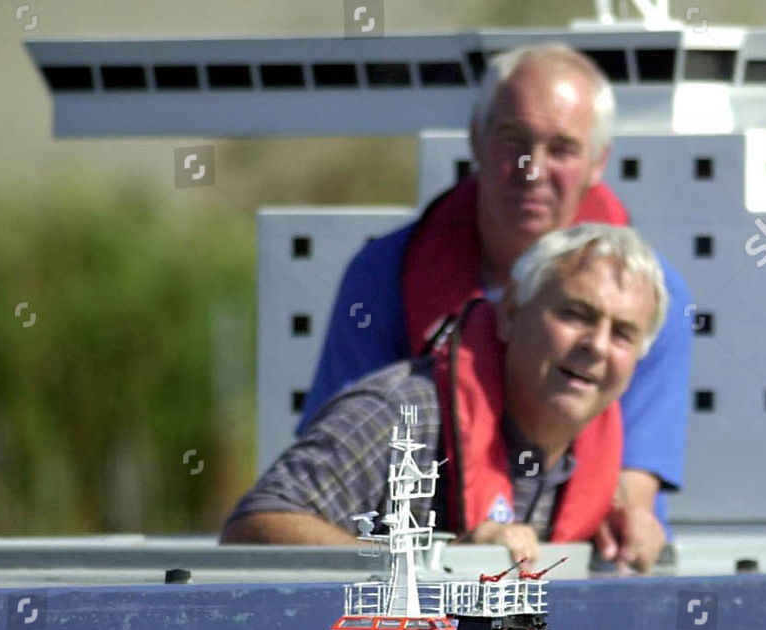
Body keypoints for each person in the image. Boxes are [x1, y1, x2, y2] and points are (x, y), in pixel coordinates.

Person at [293, 42, 692, 571]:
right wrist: (432, 562)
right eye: (514, 141)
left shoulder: (649, 297)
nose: (533, 168)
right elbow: (333, 457)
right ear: (477, 139)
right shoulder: (381, 276)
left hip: (575, 577)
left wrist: (631, 521)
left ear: (598, 163)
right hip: (412, 596)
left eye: (563, 149)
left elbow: (633, 480)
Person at [221, 224, 667, 569]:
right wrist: (442, 562)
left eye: (623, 334)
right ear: (511, 313)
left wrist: (630, 535)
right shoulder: (400, 413)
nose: (596, 345)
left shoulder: (600, 468)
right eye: (575, 314)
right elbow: (253, 528)